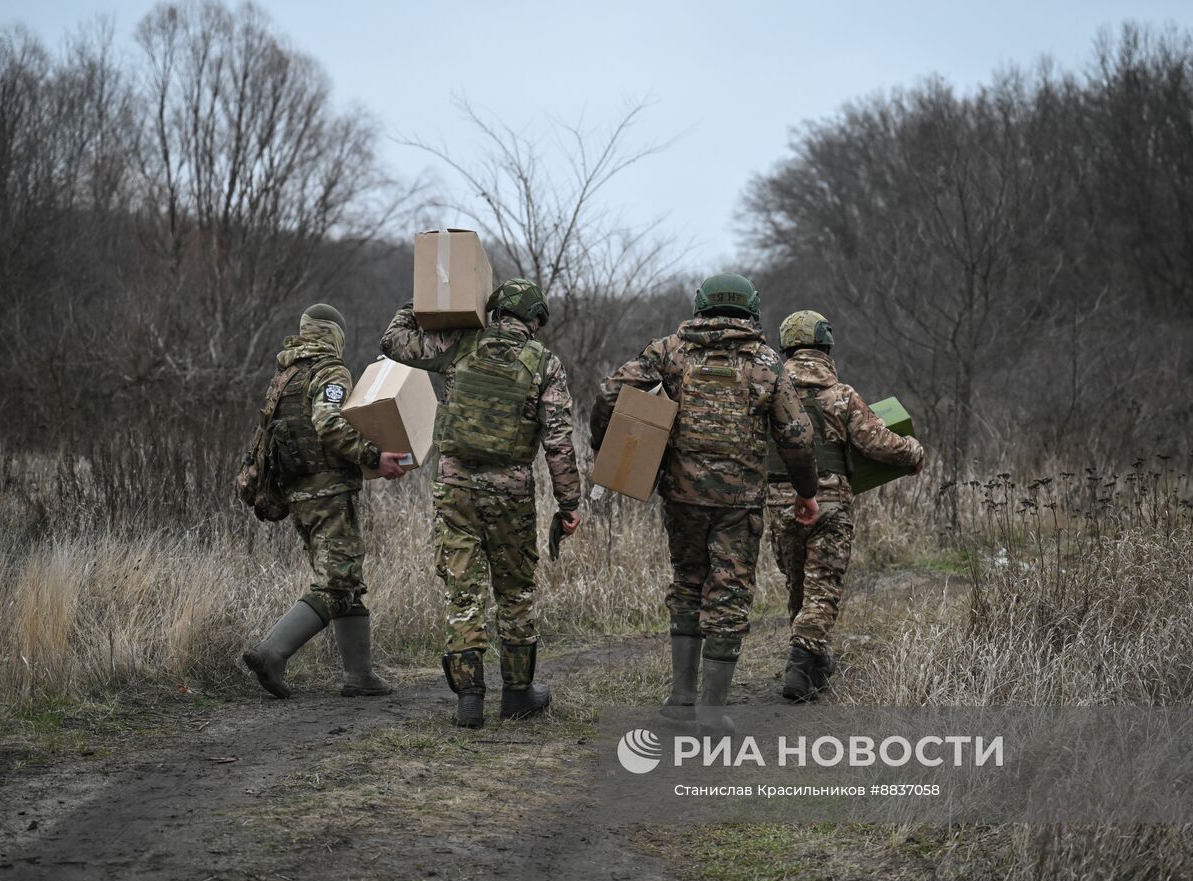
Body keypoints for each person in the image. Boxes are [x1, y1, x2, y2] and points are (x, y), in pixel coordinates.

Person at [590, 274, 820, 731]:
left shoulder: (670, 351)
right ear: (750, 310)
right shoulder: (767, 361)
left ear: (701, 306)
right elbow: (796, 436)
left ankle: (679, 701)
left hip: (682, 496)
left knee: (688, 584)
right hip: (740, 502)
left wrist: (608, 446)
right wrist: (806, 491)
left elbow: (608, 393)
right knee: (730, 594)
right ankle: (713, 712)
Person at [381, 279, 582, 729]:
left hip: (455, 489)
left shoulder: (459, 342)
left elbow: (393, 342)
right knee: (515, 592)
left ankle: (469, 700)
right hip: (511, 493)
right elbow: (559, 442)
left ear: (493, 311)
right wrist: (569, 505)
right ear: (535, 319)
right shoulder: (545, 364)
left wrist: (428, 303)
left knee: (463, 591)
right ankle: (517, 694)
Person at [242, 303, 409, 699]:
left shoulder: (285, 376)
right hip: (328, 491)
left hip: (297, 494)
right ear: (334, 335)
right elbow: (329, 422)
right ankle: (271, 652)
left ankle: (360, 675)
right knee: (336, 582)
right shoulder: (329, 371)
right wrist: (373, 456)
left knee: (345, 578)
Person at [765, 310, 925, 701]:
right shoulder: (841, 395)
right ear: (826, 346)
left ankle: (814, 664)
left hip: (779, 502)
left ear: (786, 348)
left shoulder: (770, 394)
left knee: (800, 585)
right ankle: (801, 663)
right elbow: (876, 443)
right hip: (830, 504)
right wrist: (913, 452)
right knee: (823, 588)